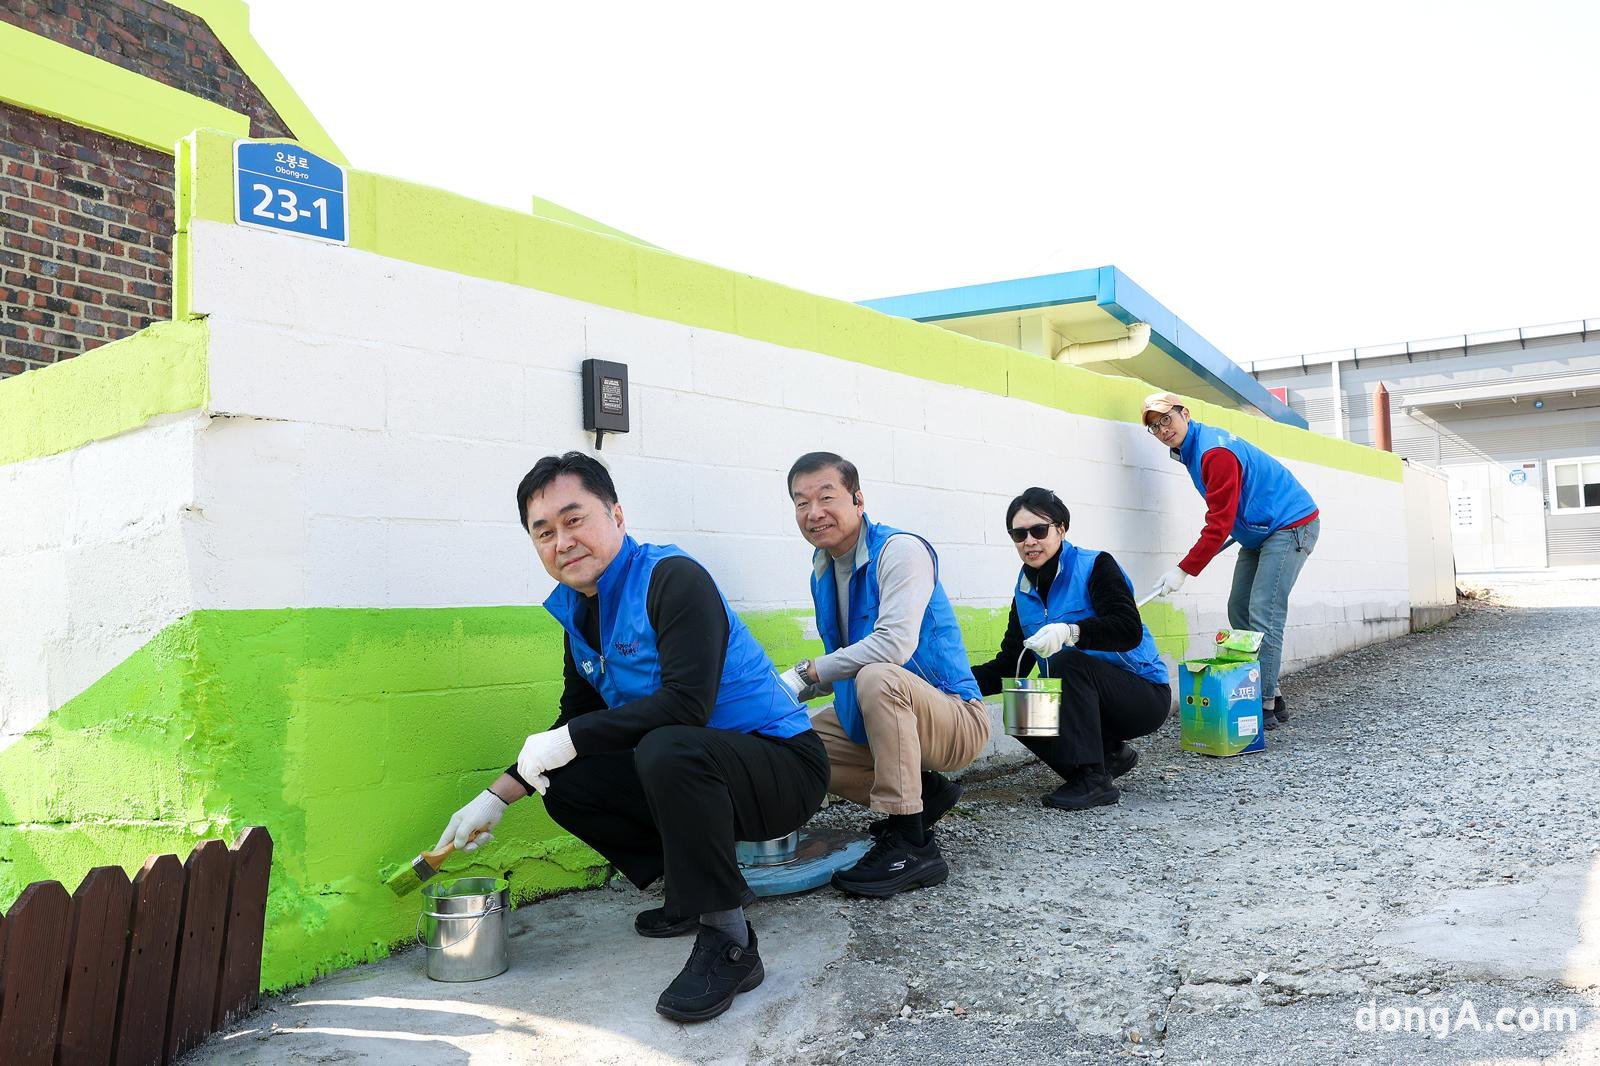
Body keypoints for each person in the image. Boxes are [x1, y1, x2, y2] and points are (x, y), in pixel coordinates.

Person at [435, 452, 827, 1024]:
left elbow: (687, 705)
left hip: (781, 767)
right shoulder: (579, 614)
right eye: (544, 532)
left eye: (574, 520)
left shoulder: (673, 578)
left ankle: (730, 942)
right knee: (564, 781)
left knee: (667, 745)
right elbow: (575, 720)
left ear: (616, 515)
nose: (562, 542)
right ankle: (695, 894)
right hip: (696, 770)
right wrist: (495, 796)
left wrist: (567, 740)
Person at [778, 452, 990, 899]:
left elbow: (893, 646)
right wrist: (781, 691)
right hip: (882, 712)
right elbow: (844, 660)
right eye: (801, 502)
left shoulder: (900, 551)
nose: (814, 512)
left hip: (955, 715)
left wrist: (807, 672)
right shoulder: (822, 569)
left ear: (858, 500)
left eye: (826, 497)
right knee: (796, 745)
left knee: (878, 677)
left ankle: (913, 845)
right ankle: (926, 793)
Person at [970, 488, 1172, 809]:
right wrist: (951, 682)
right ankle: (1108, 757)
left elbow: (1128, 629)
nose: (1029, 541)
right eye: (1019, 534)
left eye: (1039, 530)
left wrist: (1071, 631)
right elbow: (1010, 665)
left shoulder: (1095, 565)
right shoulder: (1024, 594)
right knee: (1021, 703)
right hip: (1087, 704)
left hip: (1141, 694)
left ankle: (1094, 781)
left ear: (1061, 529)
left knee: (1066, 661)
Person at [1142, 392, 1321, 728]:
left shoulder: (1215, 453)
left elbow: (1218, 523)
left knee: (1264, 611)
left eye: (1167, 418)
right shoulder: (1192, 450)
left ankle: (1262, 704)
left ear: (1185, 413)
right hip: (1259, 530)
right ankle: (1271, 692)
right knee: (1239, 608)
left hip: (1290, 524)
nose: (1163, 429)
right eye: (1154, 426)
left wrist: (1183, 570)